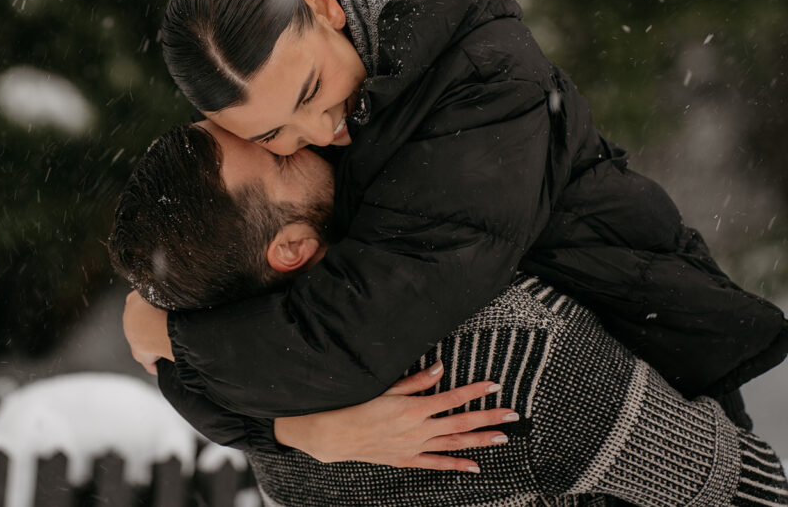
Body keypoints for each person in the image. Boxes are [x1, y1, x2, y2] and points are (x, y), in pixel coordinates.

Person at [122, 0, 788, 443]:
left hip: (656, 409)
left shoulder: (484, 85)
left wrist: (174, 340)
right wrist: (293, 433)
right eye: (273, 134)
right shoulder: (287, 76)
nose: (318, 131)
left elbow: (354, 340)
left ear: (322, 5)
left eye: (310, 93)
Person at [109, 120, 788, 507]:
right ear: (290, 248)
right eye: (281, 154)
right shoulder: (514, 352)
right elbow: (744, 493)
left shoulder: (277, 448)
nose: (302, 133)